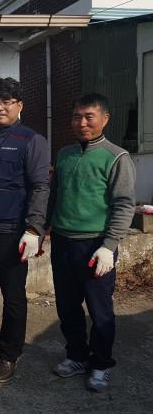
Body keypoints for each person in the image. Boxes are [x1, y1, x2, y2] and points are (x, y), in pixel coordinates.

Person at [48, 94, 135, 392]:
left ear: (105, 119)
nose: (82, 123)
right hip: (63, 243)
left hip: (95, 246)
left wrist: (109, 246)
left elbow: (124, 204)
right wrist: (40, 230)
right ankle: (77, 356)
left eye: (89, 117)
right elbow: (54, 195)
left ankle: (101, 363)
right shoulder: (65, 154)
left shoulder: (117, 157)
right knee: (67, 306)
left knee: (100, 310)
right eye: (77, 117)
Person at [0, 77, 50, 382]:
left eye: (6, 102)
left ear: (19, 106)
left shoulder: (31, 140)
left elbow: (40, 186)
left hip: (13, 231)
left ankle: (8, 354)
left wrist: (34, 229)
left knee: (13, 296)